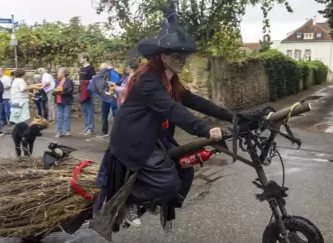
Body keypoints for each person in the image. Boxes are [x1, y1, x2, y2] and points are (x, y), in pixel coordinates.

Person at [91, 3, 233, 229]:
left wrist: (232, 117)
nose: (182, 59)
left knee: (184, 174)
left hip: (153, 136)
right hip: (133, 140)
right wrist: (205, 128)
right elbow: (172, 109)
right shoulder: (148, 79)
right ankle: (129, 201)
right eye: (176, 54)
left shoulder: (168, 78)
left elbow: (193, 100)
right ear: (163, 55)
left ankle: (151, 202)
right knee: (167, 182)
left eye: (184, 55)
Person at [78, 53, 96, 135]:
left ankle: (91, 128)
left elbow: (94, 79)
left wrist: (85, 83)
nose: (79, 60)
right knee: (84, 109)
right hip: (82, 91)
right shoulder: (81, 68)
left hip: (89, 91)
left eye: (81, 58)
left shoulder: (91, 67)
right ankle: (86, 126)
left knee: (89, 109)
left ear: (85, 58)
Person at [54, 68, 75, 138]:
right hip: (59, 100)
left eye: (59, 72)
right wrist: (55, 91)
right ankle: (59, 132)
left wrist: (62, 92)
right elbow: (54, 89)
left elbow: (70, 90)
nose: (57, 74)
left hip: (67, 100)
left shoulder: (69, 81)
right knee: (59, 117)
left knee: (66, 116)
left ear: (63, 73)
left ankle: (68, 130)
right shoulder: (57, 81)